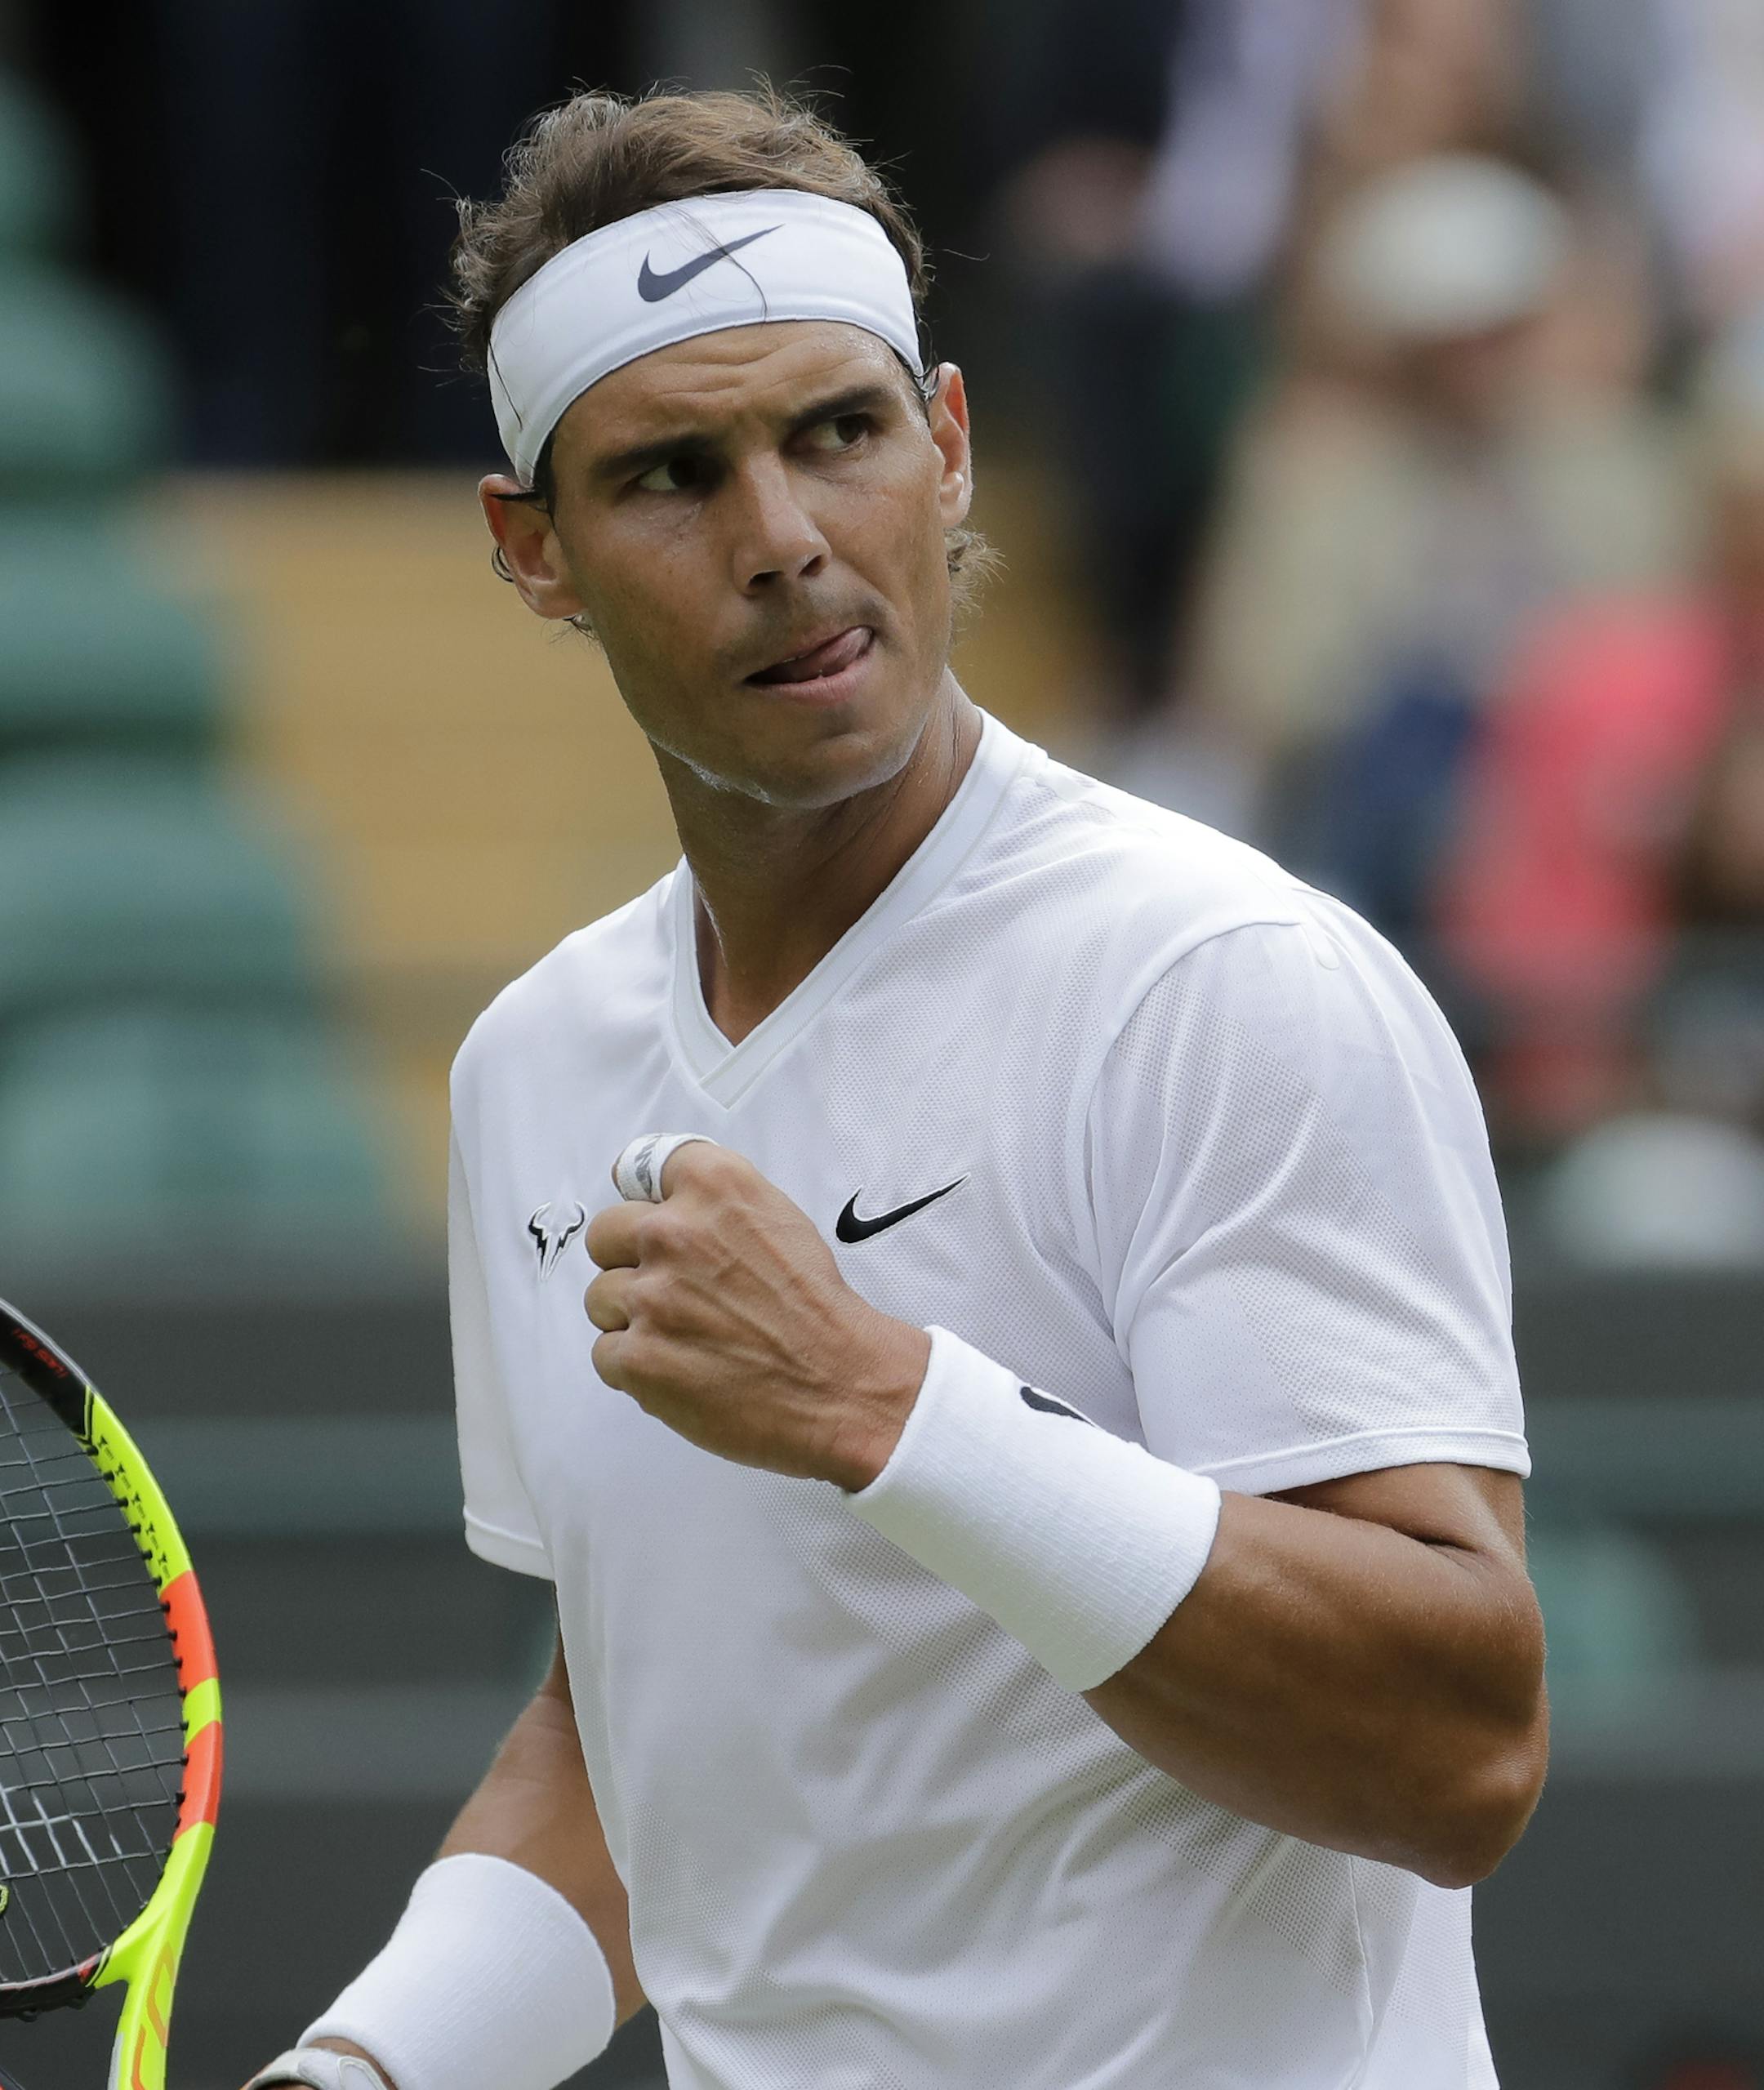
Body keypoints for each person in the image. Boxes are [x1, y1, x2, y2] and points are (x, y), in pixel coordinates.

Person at [243, 86, 1547, 2090]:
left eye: (835, 434)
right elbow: (651, 1727)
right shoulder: (533, 1065)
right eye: (672, 474)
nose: (782, 541)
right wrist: (374, 2066)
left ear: (944, 446)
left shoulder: (1221, 981)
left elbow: (1456, 1748)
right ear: (535, 552)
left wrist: (884, 1405)